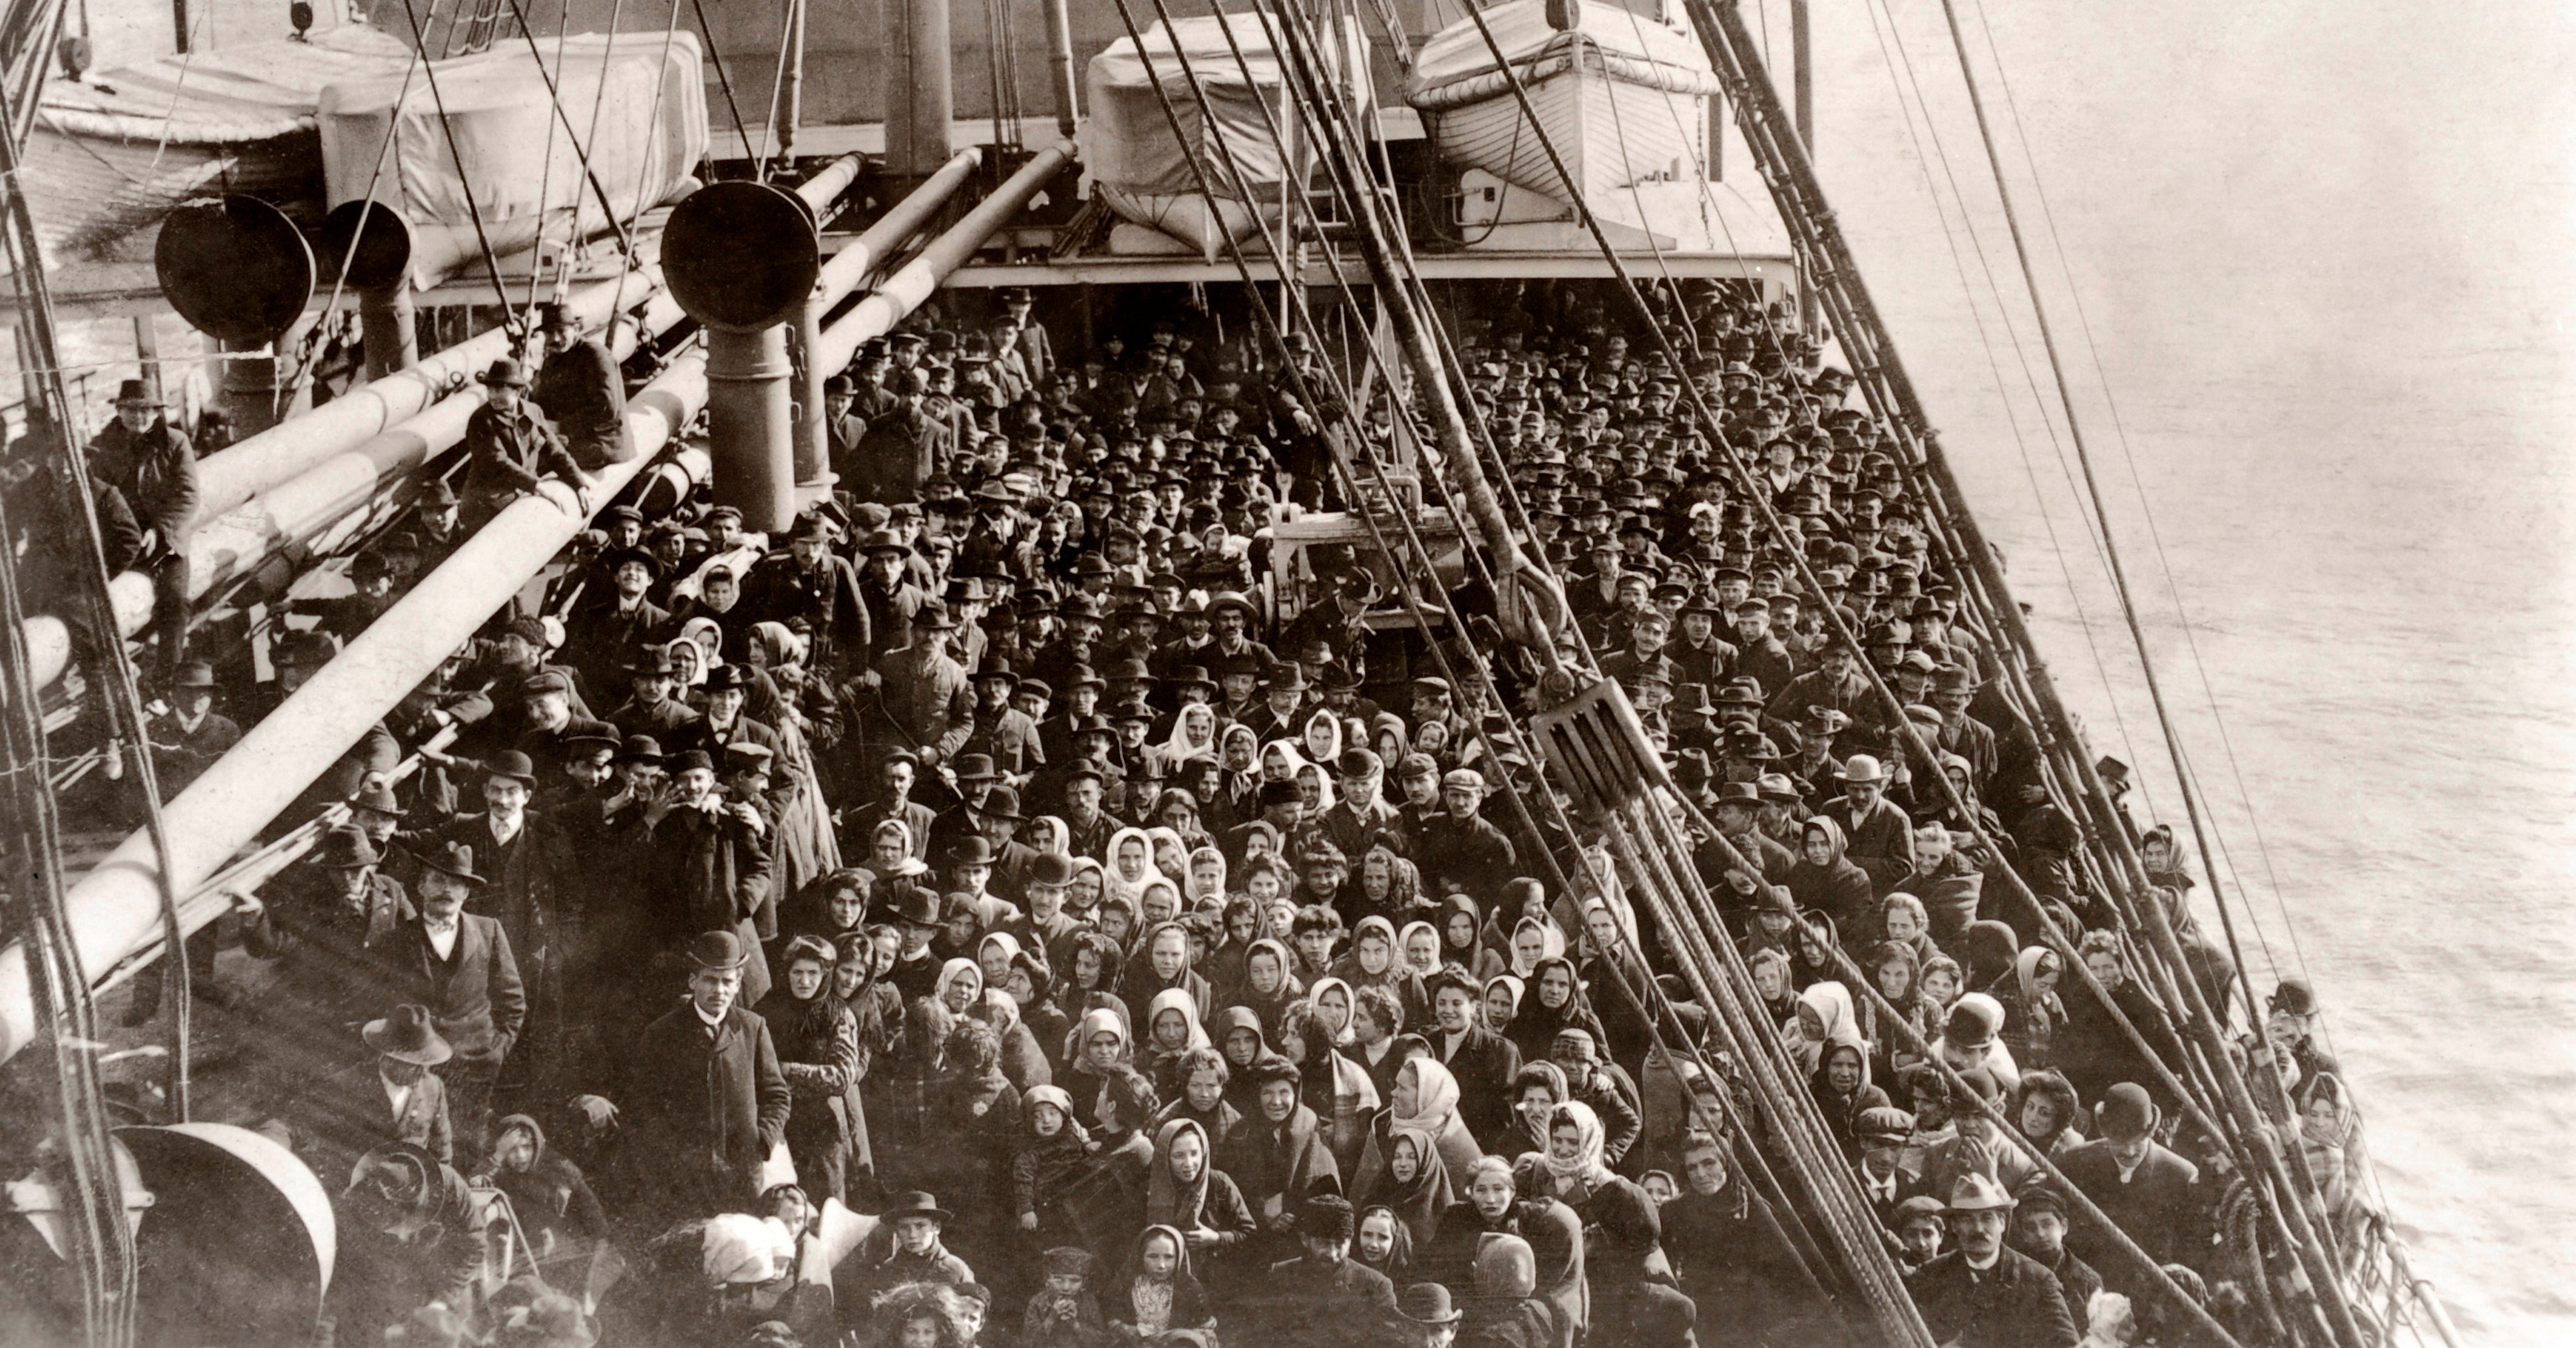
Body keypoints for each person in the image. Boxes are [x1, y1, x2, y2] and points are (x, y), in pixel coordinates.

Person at [574, 931, 792, 1236]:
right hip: (685, 1179)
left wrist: (761, 1141)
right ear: (693, 981)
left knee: (745, 1246)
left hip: (742, 1173)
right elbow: (643, 1106)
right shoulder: (661, 1034)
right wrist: (672, 1156)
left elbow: (777, 1095)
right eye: (710, 980)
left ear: (738, 984)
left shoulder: (752, 1028)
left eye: (727, 981)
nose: (719, 990)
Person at [371, 840, 524, 1160]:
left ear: (466, 892)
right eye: (438, 880)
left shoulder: (489, 931)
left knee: (468, 1144)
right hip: (416, 1065)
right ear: (421, 887)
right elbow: (379, 1000)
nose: (447, 890)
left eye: (456, 883)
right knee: (417, 1145)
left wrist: (497, 1049)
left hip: (476, 1063)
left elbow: (513, 1000)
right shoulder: (396, 939)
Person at [85, 378, 198, 677]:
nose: (139, 416)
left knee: (175, 603)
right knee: (97, 604)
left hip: (165, 543)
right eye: (132, 410)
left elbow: (187, 496)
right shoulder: (101, 448)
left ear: (157, 412)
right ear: (119, 410)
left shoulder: (174, 442)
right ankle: (113, 673)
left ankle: (167, 676)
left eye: (146, 410)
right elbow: (94, 499)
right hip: (120, 542)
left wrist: (158, 531)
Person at [1903, 1173, 2080, 1348]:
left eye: (1987, 1218)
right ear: (1955, 1227)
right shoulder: (1930, 1275)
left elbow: (2068, 1345)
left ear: (2002, 1223)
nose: (1979, 1229)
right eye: (1967, 1220)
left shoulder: (2039, 1280)